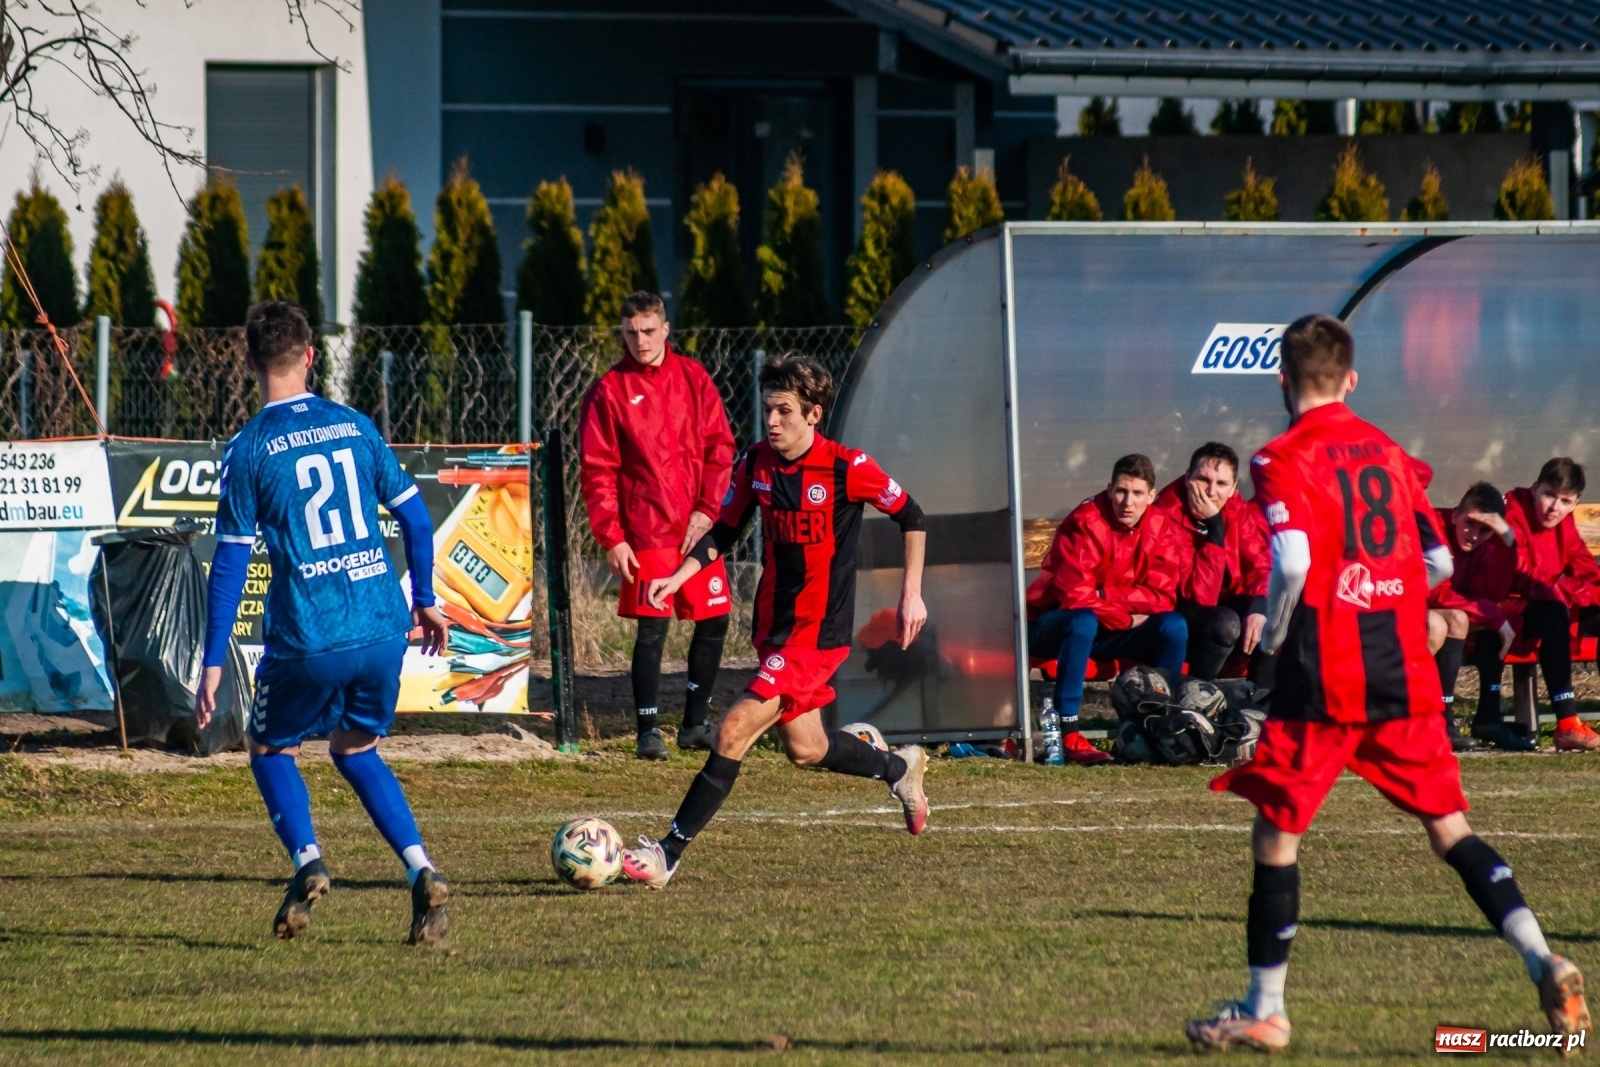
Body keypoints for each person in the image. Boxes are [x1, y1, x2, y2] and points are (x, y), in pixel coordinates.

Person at [1186, 314, 1588, 1053]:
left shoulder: (1281, 456)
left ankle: (1265, 1007)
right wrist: (1386, 597)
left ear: (1282, 380)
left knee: (1277, 831)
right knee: (1449, 828)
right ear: (1351, 380)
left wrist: (1274, 634)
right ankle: (1545, 956)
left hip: (1327, 673)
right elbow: (1436, 566)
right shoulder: (1391, 453)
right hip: (1400, 666)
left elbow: (1297, 563)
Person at [618, 355, 930, 888]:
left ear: (814, 414)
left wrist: (912, 595)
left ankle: (668, 853)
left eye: (784, 411)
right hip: (776, 630)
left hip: (818, 634)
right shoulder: (755, 463)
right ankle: (900, 769)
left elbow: (912, 515)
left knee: (733, 728)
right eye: (767, 409)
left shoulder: (847, 468)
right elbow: (724, 531)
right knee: (806, 748)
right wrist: (677, 575)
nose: (772, 420)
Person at [196, 301, 450, 945]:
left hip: (310, 635)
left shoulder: (249, 448)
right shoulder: (356, 426)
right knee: (356, 747)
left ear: (251, 363)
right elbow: (417, 519)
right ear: (311, 356)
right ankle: (420, 869)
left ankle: (308, 860)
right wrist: (424, 598)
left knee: (270, 746)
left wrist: (213, 663)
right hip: (382, 626)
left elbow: (229, 565)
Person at [579, 291, 736, 760]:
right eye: (630, 333)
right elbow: (597, 468)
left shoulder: (694, 378)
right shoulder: (609, 390)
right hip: (645, 531)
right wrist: (611, 536)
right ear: (621, 333)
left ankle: (695, 722)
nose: (640, 341)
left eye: (648, 331)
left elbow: (720, 448)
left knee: (715, 619)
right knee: (652, 628)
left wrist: (708, 510)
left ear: (666, 329)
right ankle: (648, 730)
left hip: (696, 527)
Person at [1026, 454, 1187, 765]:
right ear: (1110, 489)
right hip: (1051, 627)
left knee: (1174, 626)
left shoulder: (1160, 526)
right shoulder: (1085, 521)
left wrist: (1107, 594)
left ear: (1151, 496)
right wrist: (1126, 617)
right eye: (1121, 491)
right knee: (1083, 620)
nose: (1128, 501)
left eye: (1138, 493)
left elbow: (1163, 596)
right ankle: (1068, 731)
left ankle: (1161, 725)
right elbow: (1075, 598)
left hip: (1106, 630)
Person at [1470, 459, 1600, 753]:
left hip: (1544, 606)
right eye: (1549, 495)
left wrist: (1581, 591)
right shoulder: (1512, 513)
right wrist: (1571, 591)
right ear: (1535, 488)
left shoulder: (1562, 522)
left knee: (1568, 611)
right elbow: (1524, 578)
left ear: (1575, 502)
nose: (1554, 507)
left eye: (1565, 501)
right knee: (1554, 613)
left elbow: (1585, 569)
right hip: (1501, 610)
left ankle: (1571, 725)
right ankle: (1566, 722)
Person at [1150, 442, 1272, 683]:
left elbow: (1261, 564)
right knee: (1224, 622)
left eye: (1222, 484)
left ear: (1234, 488)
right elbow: (1199, 595)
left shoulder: (1236, 508)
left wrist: (1261, 606)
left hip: (1224, 608)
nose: (1211, 491)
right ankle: (1196, 697)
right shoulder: (1165, 516)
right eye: (1203, 480)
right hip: (1179, 614)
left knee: (1277, 615)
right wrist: (1216, 527)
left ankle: (1257, 706)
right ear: (1187, 478)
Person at [1426, 481, 1520, 752]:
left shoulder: (1484, 548)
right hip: (1399, 606)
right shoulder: (1434, 528)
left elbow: (1491, 593)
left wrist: (1507, 541)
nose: (1474, 534)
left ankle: (1446, 718)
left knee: (1460, 619)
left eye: (1485, 530)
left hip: (1440, 614)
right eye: (1469, 523)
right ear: (1455, 514)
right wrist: (1494, 616)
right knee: (1454, 620)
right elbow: (1434, 590)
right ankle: (1421, 717)